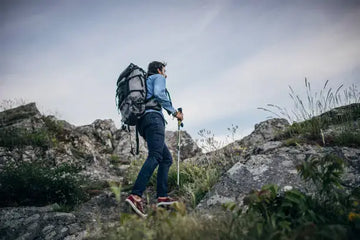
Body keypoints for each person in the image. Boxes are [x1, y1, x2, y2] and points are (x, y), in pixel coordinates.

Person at [125, 61, 184, 217]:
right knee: (156, 156)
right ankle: (136, 195)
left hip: (143, 123)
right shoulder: (157, 78)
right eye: (164, 70)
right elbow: (159, 94)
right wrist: (174, 112)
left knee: (166, 159)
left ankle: (162, 197)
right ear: (159, 70)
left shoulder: (146, 81)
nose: (165, 74)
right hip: (153, 118)